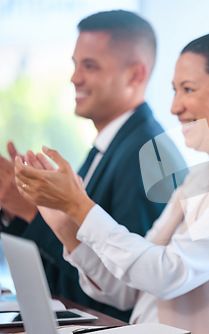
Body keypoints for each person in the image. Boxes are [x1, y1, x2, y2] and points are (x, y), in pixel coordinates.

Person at [15, 30, 209, 334]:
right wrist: (66, 223)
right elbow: (126, 290)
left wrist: (80, 206)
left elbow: (167, 274)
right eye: (174, 90)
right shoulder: (200, 176)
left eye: (188, 89)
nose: (174, 107)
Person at [0, 10, 185, 321]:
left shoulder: (150, 155)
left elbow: (128, 285)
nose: (75, 77)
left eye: (90, 66)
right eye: (75, 64)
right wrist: (18, 207)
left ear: (135, 75)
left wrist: (33, 212)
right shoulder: (111, 145)